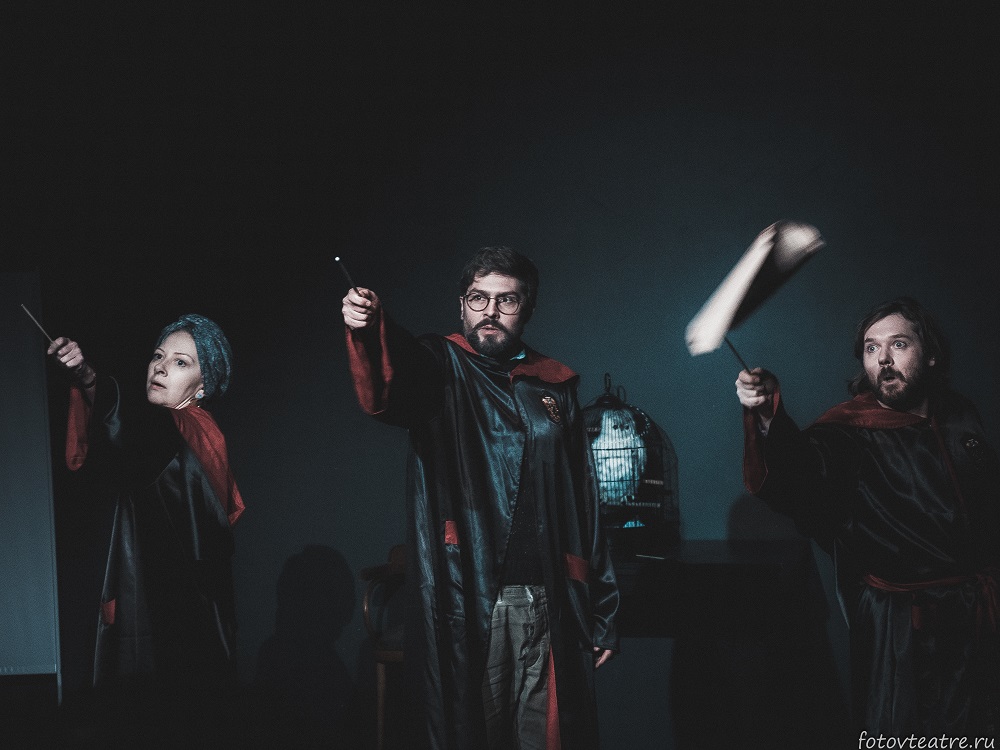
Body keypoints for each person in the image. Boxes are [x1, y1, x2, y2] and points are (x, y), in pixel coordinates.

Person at [342, 247, 619, 749]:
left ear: (526, 308)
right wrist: (371, 327)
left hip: (550, 598)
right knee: (475, 733)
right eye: (478, 298)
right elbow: (394, 377)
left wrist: (601, 610)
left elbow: (583, 502)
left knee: (546, 737)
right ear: (462, 305)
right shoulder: (440, 365)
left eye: (505, 300)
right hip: (472, 596)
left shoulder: (554, 385)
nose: (490, 311)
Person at [735, 296, 999, 738]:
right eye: (872, 348)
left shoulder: (960, 415)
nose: (884, 359)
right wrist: (766, 412)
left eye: (899, 344)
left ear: (930, 354)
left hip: (977, 622)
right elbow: (799, 473)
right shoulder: (849, 432)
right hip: (903, 632)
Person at [48, 314, 245, 740]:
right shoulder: (188, 432)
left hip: (177, 622)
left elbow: (135, 426)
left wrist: (87, 376)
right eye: (158, 356)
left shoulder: (187, 430)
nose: (160, 367)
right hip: (179, 615)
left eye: (181, 362)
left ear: (204, 385)